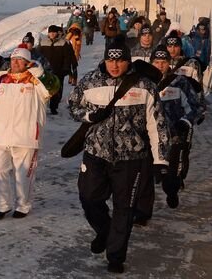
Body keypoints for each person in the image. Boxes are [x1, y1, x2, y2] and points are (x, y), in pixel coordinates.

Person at [68, 38, 170, 274]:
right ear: (105, 59)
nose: (115, 66)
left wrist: (160, 160)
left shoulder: (144, 85)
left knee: (124, 208)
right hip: (96, 154)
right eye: (111, 60)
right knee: (89, 198)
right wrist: (88, 117)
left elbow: (158, 124)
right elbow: (73, 105)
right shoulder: (90, 81)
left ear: (128, 60)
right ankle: (104, 230)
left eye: (121, 60)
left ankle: (115, 255)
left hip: (132, 159)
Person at [0, 44, 58, 219]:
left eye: (20, 60)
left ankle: (23, 205)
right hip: (0, 135)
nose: (15, 63)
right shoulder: (1, 80)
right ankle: (2, 205)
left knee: (23, 175)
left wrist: (40, 73)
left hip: (26, 136)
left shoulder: (36, 81)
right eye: (13, 59)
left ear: (28, 63)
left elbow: (53, 88)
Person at [151, 45, 205, 209]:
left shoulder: (180, 82)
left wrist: (186, 121)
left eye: (164, 62)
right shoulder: (143, 82)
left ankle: (172, 191)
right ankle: (142, 211)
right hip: (151, 139)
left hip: (175, 136)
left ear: (169, 63)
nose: (160, 65)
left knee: (171, 177)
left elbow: (197, 106)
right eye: (157, 62)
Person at [35, 25, 77, 114]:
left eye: (54, 32)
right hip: (46, 71)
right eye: (50, 32)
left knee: (57, 88)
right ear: (48, 33)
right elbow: (38, 56)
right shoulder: (43, 42)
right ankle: (43, 105)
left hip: (59, 70)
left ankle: (54, 107)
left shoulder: (63, 43)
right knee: (45, 88)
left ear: (57, 33)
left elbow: (67, 57)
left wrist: (66, 68)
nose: (52, 34)